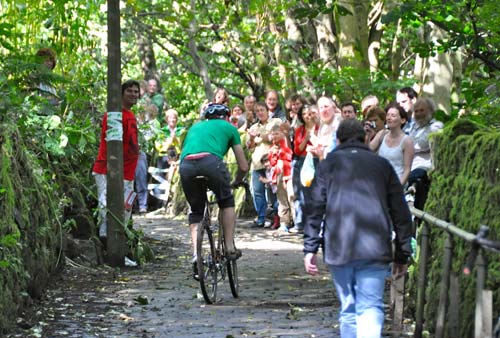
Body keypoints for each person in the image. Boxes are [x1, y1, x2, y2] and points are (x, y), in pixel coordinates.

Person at [303, 119, 413, 338]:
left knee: (348, 309)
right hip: (375, 247)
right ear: (365, 139)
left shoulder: (328, 165)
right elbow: (400, 212)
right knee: (370, 306)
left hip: (338, 247)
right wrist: (402, 253)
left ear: (337, 140)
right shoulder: (382, 165)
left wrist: (310, 248)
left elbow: (314, 208)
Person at [179, 103, 248, 278]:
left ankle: (197, 254)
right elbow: (243, 166)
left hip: (186, 166)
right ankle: (230, 247)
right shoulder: (229, 128)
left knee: (196, 210)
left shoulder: (195, 127)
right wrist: (237, 181)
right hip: (211, 164)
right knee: (226, 201)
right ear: (226, 117)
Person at [92, 80, 140, 241]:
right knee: (106, 206)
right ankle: (106, 241)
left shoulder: (131, 115)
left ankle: (121, 243)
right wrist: (113, 169)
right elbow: (111, 145)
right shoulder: (114, 115)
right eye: (130, 91)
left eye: (136, 91)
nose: (133, 94)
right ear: (121, 93)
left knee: (125, 208)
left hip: (128, 172)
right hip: (108, 170)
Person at [246, 102, 282, 228]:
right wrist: (251, 138)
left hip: (271, 163)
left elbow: (275, 137)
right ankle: (261, 218)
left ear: (268, 111)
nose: (260, 113)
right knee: (257, 192)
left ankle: (276, 218)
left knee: (274, 192)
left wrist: (260, 135)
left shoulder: (275, 122)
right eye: (257, 111)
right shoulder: (254, 126)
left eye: (262, 110)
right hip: (256, 163)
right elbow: (249, 146)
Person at [407, 97, 444, 210]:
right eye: (416, 111)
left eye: (422, 110)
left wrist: (410, 146)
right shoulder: (413, 127)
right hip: (409, 166)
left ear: (431, 111)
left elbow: (422, 144)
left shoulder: (436, 126)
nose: (418, 114)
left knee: (416, 177)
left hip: (425, 167)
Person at [370, 103, 414, 186]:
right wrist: (367, 135)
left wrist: (398, 189)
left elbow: (407, 169)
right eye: (388, 115)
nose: (389, 118)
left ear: (402, 120)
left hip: (396, 183)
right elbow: (367, 150)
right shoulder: (382, 134)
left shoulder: (407, 141)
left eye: (393, 115)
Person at [290, 104, 319, 233]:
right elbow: (297, 149)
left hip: (316, 160)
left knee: (316, 192)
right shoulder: (299, 131)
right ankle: (300, 222)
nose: (307, 116)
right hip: (302, 161)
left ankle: (315, 222)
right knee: (300, 192)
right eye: (304, 114)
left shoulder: (320, 128)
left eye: (309, 113)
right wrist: (307, 137)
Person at [267, 124, 293, 232]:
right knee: (281, 198)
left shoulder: (286, 142)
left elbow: (290, 153)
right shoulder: (272, 147)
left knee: (291, 196)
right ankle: (284, 222)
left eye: (277, 134)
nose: (274, 136)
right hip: (277, 174)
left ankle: (296, 221)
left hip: (288, 172)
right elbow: (272, 162)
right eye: (273, 134)